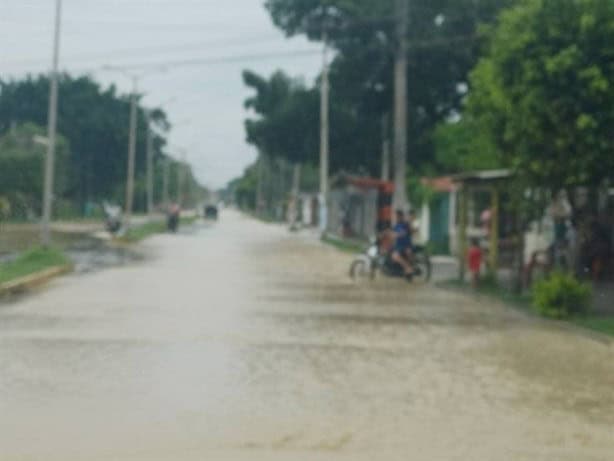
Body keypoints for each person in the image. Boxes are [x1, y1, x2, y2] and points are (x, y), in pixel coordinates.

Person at [391, 209, 414, 277]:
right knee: (394, 256)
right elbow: (392, 233)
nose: (396, 218)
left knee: (408, 253)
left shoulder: (405, 224)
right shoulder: (396, 225)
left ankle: (409, 268)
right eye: (395, 217)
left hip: (406, 245)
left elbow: (407, 232)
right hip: (398, 246)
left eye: (397, 216)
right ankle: (405, 268)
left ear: (401, 216)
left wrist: (398, 234)